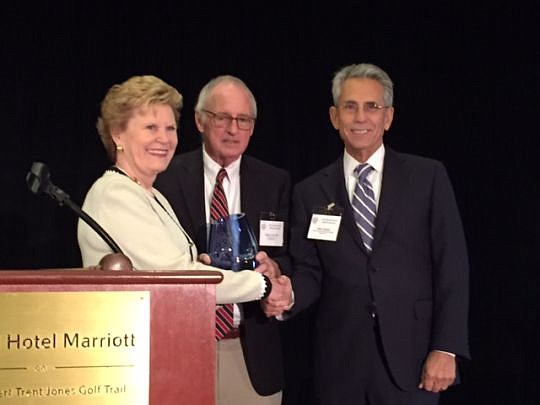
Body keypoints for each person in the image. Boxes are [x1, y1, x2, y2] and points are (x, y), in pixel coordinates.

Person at [264, 63, 470, 405]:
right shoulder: (310, 191)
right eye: (350, 106)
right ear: (334, 117)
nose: (361, 117)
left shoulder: (427, 177)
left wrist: (446, 347)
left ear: (388, 117)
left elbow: (452, 266)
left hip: (414, 360)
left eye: (371, 107)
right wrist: (289, 294)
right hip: (340, 364)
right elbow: (310, 272)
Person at [77, 74, 289, 309]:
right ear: (118, 133)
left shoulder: (152, 196)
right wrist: (263, 285)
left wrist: (200, 265)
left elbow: (175, 272)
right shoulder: (115, 195)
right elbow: (177, 276)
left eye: (170, 128)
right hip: (130, 340)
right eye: (151, 128)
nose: (164, 139)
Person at [155, 75, 290, 405]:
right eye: (222, 118)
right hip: (179, 347)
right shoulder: (165, 177)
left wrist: (275, 268)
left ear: (252, 127)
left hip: (249, 352)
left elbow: (290, 257)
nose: (233, 129)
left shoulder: (275, 181)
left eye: (243, 120)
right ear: (200, 121)